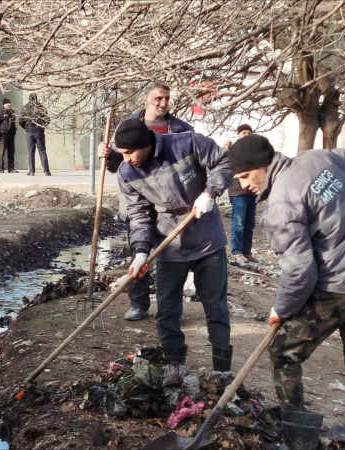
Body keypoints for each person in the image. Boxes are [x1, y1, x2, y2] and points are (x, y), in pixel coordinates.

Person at [229, 135, 345, 450]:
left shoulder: (280, 205)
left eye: (246, 176)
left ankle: (299, 435)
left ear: (263, 165)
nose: (244, 185)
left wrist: (280, 309)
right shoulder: (319, 159)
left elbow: (301, 273)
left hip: (337, 288)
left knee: (283, 352)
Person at [100, 118, 233, 370]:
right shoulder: (127, 173)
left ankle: (222, 373)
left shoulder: (187, 143)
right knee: (167, 312)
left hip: (207, 241)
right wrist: (140, 252)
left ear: (145, 144)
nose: (125, 159)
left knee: (215, 307)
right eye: (122, 154)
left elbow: (225, 159)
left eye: (129, 153)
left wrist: (210, 192)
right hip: (169, 246)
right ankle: (174, 370)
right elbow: (139, 215)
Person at [102, 82, 194, 321]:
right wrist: (108, 155)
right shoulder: (128, 126)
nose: (163, 103)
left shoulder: (181, 128)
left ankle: (169, 308)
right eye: (158, 98)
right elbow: (117, 166)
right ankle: (139, 304)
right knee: (139, 251)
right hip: (139, 201)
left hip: (172, 205)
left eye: (166, 99)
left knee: (172, 256)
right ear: (145, 100)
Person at [222, 124, 259, 265]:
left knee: (250, 223)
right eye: (244, 132)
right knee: (239, 223)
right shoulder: (234, 150)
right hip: (238, 192)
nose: (247, 135)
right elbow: (225, 161)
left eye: (249, 132)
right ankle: (237, 252)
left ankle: (247, 252)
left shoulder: (254, 151)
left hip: (252, 192)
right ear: (238, 134)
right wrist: (226, 148)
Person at [18, 93, 51, 176]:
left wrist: (26, 128)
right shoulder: (41, 107)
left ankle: (32, 171)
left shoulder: (25, 107)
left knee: (30, 152)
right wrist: (42, 127)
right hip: (39, 131)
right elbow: (47, 119)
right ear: (36, 98)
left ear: (29, 99)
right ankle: (46, 171)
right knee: (42, 151)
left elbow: (20, 121)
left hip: (29, 132)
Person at [0, 98, 17, 173]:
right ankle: (0, 168)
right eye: (7, 103)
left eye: (9, 103)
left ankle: (11, 168)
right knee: (1, 152)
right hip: (3, 134)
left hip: (11, 135)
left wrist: (14, 133)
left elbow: (13, 124)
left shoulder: (12, 112)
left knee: (11, 152)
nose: (9, 104)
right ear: (4, 104)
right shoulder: (0, 112)